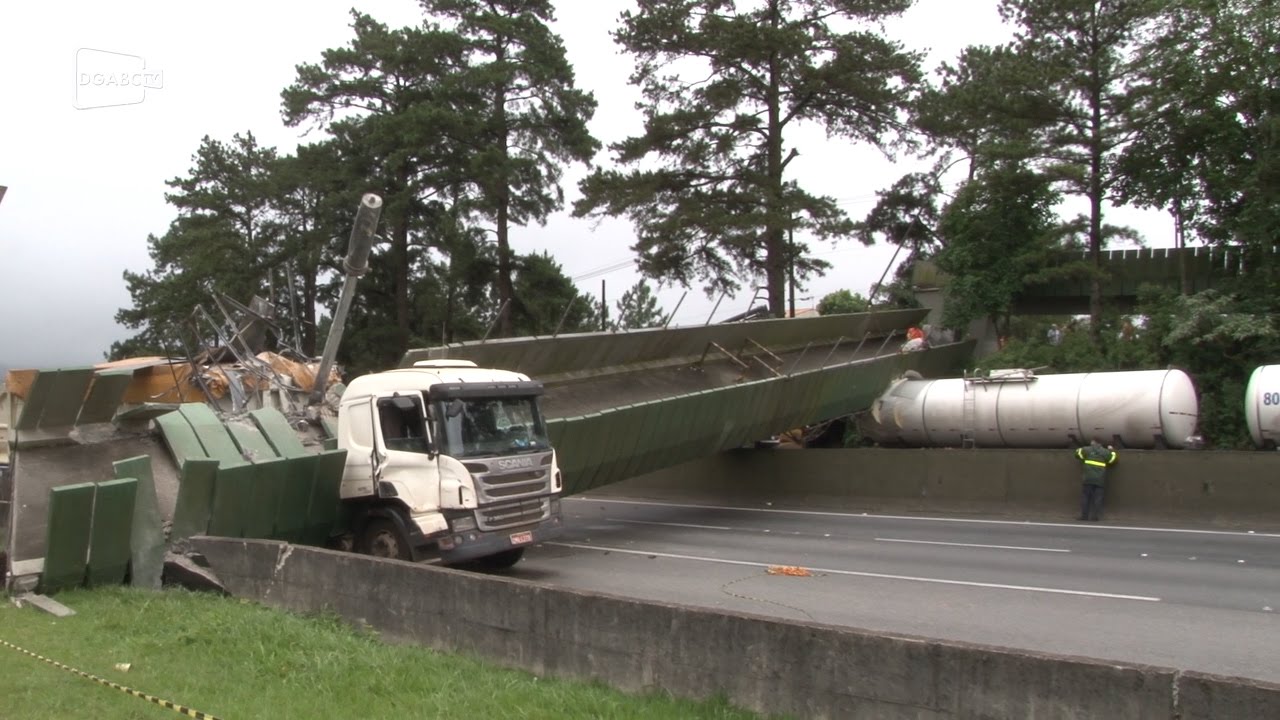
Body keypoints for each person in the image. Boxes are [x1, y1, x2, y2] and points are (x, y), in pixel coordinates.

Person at [1075, 437, 1118, 521]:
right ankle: (1095, 517)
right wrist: (1112, 450)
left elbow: (1077, 454)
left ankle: (1084, 516)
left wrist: (1081, 452)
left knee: (1086, 497)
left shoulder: (1086, 449)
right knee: (1098, 498)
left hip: (1088, 479)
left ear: (1093, 442)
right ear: (1100, 443)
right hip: (1099, 479)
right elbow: (1112, 460)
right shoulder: (1105, 452)